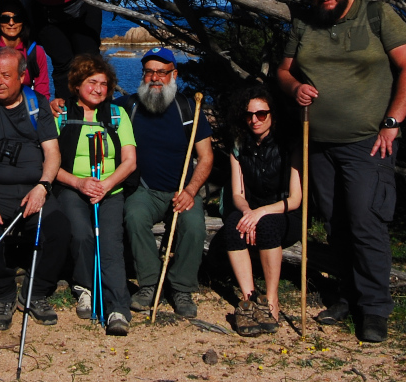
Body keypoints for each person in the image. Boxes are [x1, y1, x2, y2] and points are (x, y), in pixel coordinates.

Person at [276, 0, 406, 344]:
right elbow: (283, 69)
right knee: (335, 224)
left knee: (365, 222)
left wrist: (392, 123)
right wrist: (295, 88)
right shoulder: (305, 21)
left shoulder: (377, 16)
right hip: (319, 143)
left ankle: (374, 309)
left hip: (368, 142)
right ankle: (346, 295)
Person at [0, 48, 71, 331]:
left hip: (33, 188)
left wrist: (43, 187)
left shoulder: (38, 103)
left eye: (5, 75)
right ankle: (2, 294)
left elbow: (53, 154)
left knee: (59, 230)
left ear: (22, 76)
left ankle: (35, 292)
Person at [117, 47, 214, 318]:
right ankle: (149, 284)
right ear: (143, 75)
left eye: (162, 72)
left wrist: (191, 191)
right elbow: (91, 107)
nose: (155, 78)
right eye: (149, 72)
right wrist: (60, 105)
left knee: (194, 226)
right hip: (144, 190)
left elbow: (206, 157)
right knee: (134, 217)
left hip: (182, 190)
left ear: (174, 74)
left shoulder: (189, 108)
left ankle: (181, 288)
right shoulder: (128, 107)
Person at [52, 54, 136, 335]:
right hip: (70, 187)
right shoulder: (61, 114)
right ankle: (84, 286)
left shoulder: (116, 114)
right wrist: (78, 183)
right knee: (82, 233)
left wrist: (106, 184)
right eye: (92, 82)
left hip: (110, 189)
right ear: (77, 84)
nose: (99, 89)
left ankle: (117, 309)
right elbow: (49, 164)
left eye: (104, 83)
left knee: (110, 242)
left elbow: (130, 160)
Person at [222, 85, 301, 336]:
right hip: (251, 209)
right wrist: (247, 212)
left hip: (285, 213)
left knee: (267, 227)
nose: (254, 120)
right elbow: (237, 193)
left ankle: (271, 299)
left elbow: (296, 199)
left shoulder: (290, 146)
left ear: (272, 115)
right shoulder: (238, 145)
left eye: (261, 114)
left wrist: (261, 213)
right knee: (233, 228)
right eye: (249, 115)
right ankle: (248, 299)